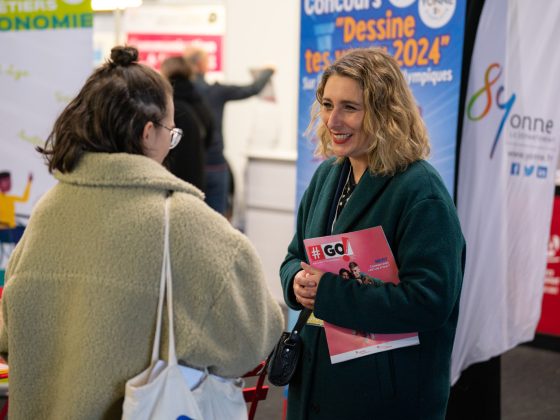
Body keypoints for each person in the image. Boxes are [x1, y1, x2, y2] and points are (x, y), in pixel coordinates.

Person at [0, 46, 284, 420]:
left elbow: (9, 335)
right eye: (171, 131)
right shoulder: (186, 221)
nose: (171, 143)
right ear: (149, 132)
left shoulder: (47, 211)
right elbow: (253, 339)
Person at [279, 48, 465, 419]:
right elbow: (294, 254)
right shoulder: (327, 176)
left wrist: (329, 293)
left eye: (350, 107)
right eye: (328, 104)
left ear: (386, 113)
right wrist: (295, 282)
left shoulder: (420, 192)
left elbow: (430, 301)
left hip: (384, 398)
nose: (333, 120)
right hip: (319, 382)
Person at [184, 47, 275, 215]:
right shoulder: (216, 91)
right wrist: (268, 71)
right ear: (201, 65)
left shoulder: (178, 94)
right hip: (215, 163)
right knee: (217, 219)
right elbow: (252, 89)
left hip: (190, 165)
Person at [160, 56, 214, 192]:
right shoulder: (200, 102)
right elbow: (210, 135)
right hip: (196, 176)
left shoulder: (167, 105)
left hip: (170, 179)